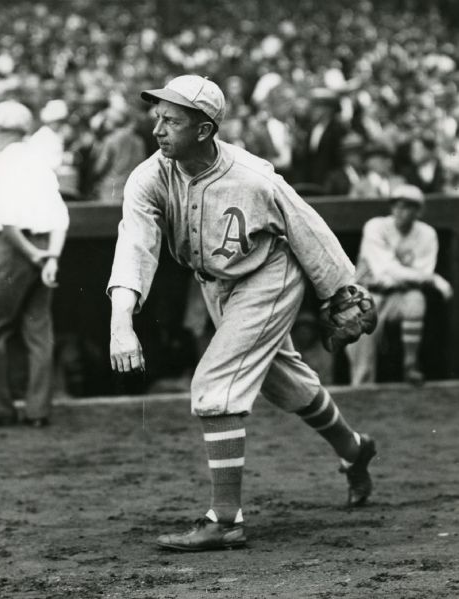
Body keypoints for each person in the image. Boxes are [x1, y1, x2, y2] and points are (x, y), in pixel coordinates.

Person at [107, 75, 377, 552]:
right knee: (288, 384)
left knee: (215, 383)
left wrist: (341, 290)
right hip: (217, 284)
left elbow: (307, 229)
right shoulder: (149, 176)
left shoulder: (253, 175)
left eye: (172, 120)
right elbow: (135, 247)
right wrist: (121, 322)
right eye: (158, 117)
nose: (158, 129)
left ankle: (225, 519)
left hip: (269, 275)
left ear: (205, 130)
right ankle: (355, 450)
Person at [0, 100, 70, 427]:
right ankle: (38, 411)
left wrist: (32, 254)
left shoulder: (0, 165)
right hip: (45, 244)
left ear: (7, 133)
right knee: (38, 331)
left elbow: (6, 222)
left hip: (17, 250)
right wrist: (51, 257)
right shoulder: (39, 160)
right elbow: (60, 216)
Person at [346, 184, 453, 386]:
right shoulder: (375, 226)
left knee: (416, 299)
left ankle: (410, 364)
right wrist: (432, 279)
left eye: (408, 206)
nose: (400, 210)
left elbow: (423, 272)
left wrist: (422, 277)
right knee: (361, 354)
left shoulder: (427, 233)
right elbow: (383, 269)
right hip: (369, 293)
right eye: (396, 205)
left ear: (418, 211)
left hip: (401, 294)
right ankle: (360, 391)